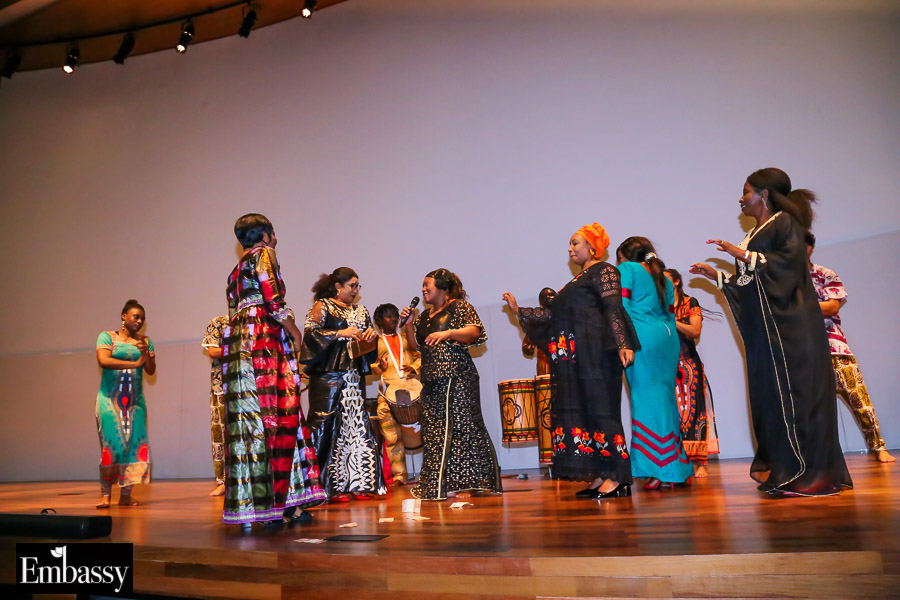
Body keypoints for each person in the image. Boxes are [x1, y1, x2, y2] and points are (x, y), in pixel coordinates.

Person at [690, 168, 852, 496]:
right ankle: (787, 470)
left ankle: (813, 475)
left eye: (746, 191)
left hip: (791, 331)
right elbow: (751, 284)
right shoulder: (756, 233)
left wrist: (741, 254)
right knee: (773, 400)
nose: (741, 198)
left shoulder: (785, 223)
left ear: (764, 194)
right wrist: (717, 278)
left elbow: (788, 266)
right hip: (771, 333)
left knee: (798, 397)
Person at [502, 223, 639, 499]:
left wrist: (623, 343)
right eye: (570, 244)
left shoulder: (605, 271)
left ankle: (617, 477)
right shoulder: (577, 281)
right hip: (578, 359)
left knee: (602, 410)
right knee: (585, 412)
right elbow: (554, 316)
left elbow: (613, 307)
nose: (570, 248)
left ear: (592, 246)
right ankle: (600, 472)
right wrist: (520, 311)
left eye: (575, 243)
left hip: (597, 354)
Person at [222, 214, 326, 525]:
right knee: (279, 415)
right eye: (273, 233)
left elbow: (234, 312)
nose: (275, 239)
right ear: (265, 235)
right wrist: (295, 332)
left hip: (239, 348)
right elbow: (274, 300)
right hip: (262, 342)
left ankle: (265, 506)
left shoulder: (234, 272)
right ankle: (278, 505)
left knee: (250, 423)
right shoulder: (264, 254)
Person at [403, 268, 501, 500]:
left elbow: (474, 332)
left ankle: (470, 483)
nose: (423, 289)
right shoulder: (424, 316)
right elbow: (416, 346)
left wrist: (447, 334)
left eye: (428, 284)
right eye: (423, 285)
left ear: (442, 287)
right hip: (431, 379)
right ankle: (443, 484)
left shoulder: (459, 307)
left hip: (458, 377)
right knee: (434, 432)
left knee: (462, 428)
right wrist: (408, 324)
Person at [806, 232, 894, 463]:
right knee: (808, 409)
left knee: (859, 400)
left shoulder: (825, 273)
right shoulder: (785, 279)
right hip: (804, 352)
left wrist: (798, 305)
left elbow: (832, 307)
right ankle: (813, 456)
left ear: (807, 248)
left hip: (835, 348)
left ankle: (879, 447)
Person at [301, 267, 386, 502]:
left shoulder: (361, 310)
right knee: (326, 425)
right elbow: (310, 335)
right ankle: (325, 487)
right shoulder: (322, 306)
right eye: (352, 286)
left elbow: (368, 341)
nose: (356, 290)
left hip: (353, 377)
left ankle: (357, 483)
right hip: (328, 377)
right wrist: (340, 333)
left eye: (358, 286)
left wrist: (370, 338)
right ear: (338, 287)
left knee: (355, 426)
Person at [616, 237, 693, 489]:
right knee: (665, 400)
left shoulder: (628, 269)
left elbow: (622, 307)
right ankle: (676, 466)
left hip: (641, 338)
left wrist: (621, 341)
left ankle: (657, 468)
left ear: (625, 257)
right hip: (667, 340)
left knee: (645, 401)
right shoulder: (664, 278)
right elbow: (670, 316)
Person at [94, 299, 155, 508]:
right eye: (136, 316)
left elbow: (151, 370)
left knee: (133, 446)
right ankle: (105, 495)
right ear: (124, 316)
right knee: (111, 446)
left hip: (135, 403)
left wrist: (145, 354)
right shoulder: (107, 337)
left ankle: (126, 496)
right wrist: (134, 363)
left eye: (142, 318)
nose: (139, 321)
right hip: (109, 401)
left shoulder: (145, 341)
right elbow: (103, 360)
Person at [663, 268, 719, 478]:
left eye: (667, 280)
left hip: (689, 365)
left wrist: (672, 321)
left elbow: (695, 331)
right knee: (673, 414)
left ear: (677, 282)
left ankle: (700, 463)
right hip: (667, 365)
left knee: (696, 413)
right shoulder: (660, 306)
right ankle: (678, 462)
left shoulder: (690, 303)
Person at [371, 303, 422, 485]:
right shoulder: (376, 342)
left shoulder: (407, 338)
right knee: (392, 436)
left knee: (427, 431)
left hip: (413, 391)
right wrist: (379, 367)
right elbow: (369, 366)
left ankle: (430, 471)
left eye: (394, 315)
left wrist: (414, 367)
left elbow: (421, 356)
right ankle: (399, 475)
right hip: (388, 393)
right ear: (379, 321)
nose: (393, 319)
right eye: (388, 316)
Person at [201, 315, 228, 496]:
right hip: (222, 388)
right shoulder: (218, 322)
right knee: (221, 435)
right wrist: (240, 347)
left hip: (251, 388)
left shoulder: (254, 321)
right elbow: (213, 351)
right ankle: (223, 481)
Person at [520, 288, 556, 377]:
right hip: (544, 369)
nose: (548, 298)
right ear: (540, 302)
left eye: (551, 295)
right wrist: (527, 348)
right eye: (545, 297)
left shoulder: (565, 318)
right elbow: (527, 344)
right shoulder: (536, 322)